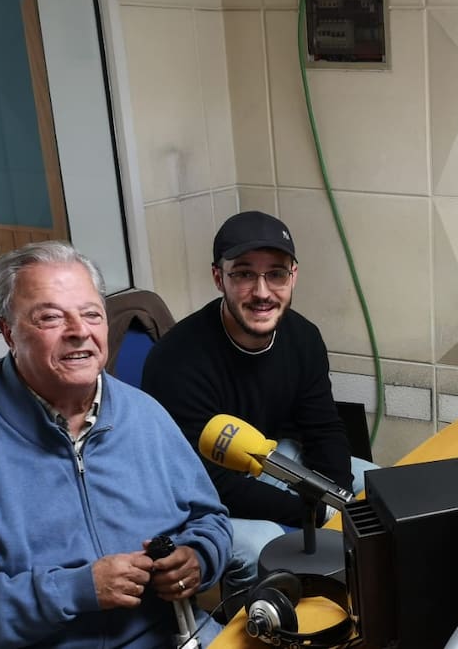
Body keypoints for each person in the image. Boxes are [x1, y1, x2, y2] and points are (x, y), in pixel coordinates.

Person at [0, 241, 232, 648]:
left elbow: (211, 519)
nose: (79, 331)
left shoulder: (144, 414)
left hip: (175, 635)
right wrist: (72, 591)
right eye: (51, 317)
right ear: (8, 332)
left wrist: (198, 558)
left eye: (91, 314)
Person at [142, 210, 378, 597]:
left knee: (378, 489)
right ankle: (259, 623)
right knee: (261, 545)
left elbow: (323, 429)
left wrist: (334, 498)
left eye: (276, 274)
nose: (262, 292)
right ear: (218, 277)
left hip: (268, 460)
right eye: (244, 274)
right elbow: (207, 482)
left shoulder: (302, 337)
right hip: (194, 495)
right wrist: (313, 510)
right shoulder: (176, 360)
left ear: (293, 276)